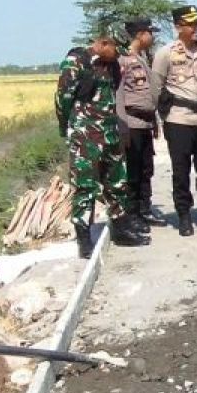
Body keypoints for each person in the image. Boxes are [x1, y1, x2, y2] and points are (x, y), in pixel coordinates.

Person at [55, 23, 150, 258]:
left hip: (109, 132)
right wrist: (67, 128)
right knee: (85, 187)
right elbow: (63, 99)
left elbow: (114, 94)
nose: (118, 54)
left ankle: (121, 228)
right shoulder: (77, 62)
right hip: (85, 135)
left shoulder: (113, 65)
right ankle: (84, 238)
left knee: (117, 182)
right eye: (115, 48)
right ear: (103, 43)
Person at [152, 4, 197, 237]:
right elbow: (156, 88)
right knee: (181, 171)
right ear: (178, 27)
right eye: (190, 24)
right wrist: (164, 117)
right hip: (179, 119)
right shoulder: (166, 53)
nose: (196, 28)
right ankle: (184, 216)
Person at [115, 17, 165, 231]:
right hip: (131, 123)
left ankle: (144, 209)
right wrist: (122, 125)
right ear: (140, 34)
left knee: (146, 169)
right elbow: (118, 95)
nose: (152, 36)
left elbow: (148, 94)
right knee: (133, 171)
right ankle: (132, 213)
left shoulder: (143, 58)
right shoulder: (123, 60)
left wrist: (153, 120)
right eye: (149, 32)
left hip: (144, 122)